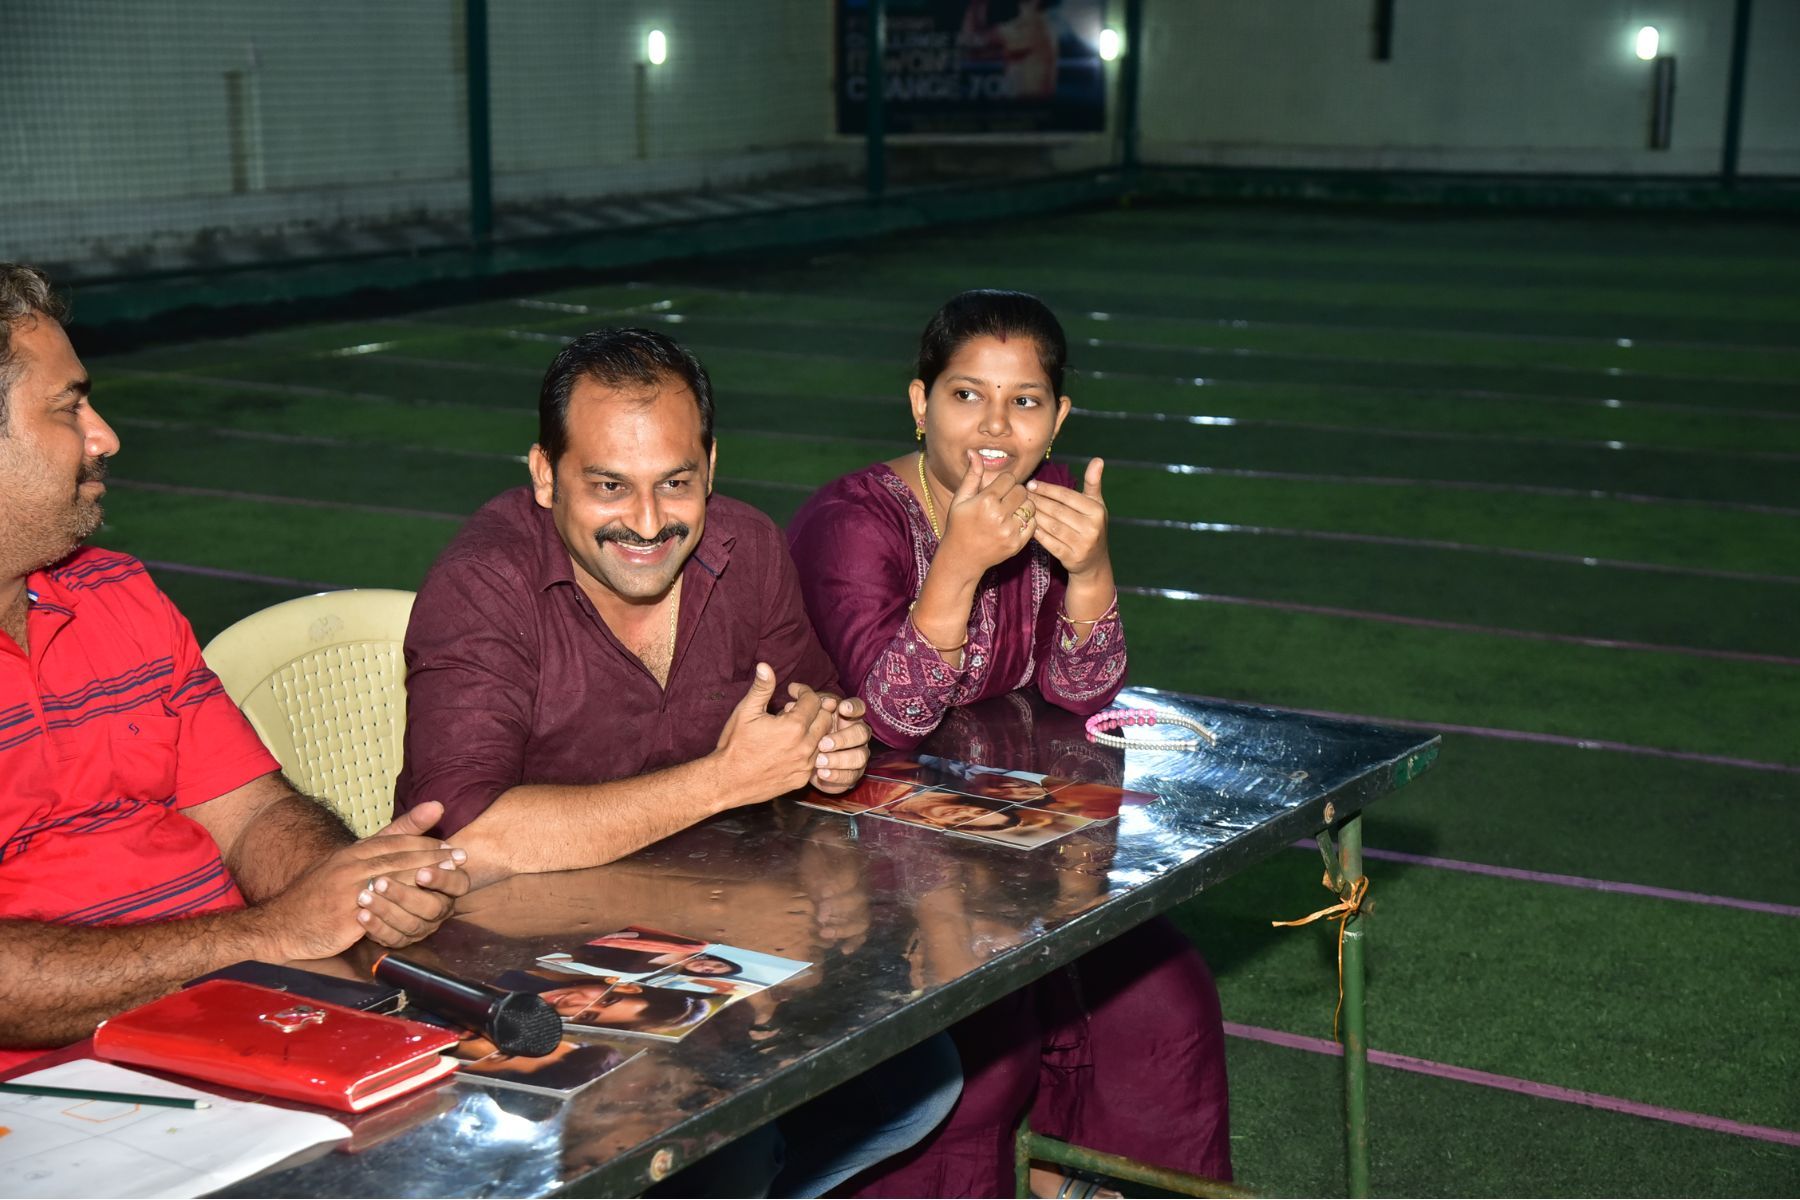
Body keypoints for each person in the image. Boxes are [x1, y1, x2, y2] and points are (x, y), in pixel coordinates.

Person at [396, 326, 959, 1198]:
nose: (649, 521)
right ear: (545, 476)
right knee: (728, 1156)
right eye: (608, 485)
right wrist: (722, 781)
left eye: (675, 482)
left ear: (711, 467)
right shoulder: (484, 582)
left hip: (713, 941)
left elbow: (815, 706)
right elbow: (466, 835)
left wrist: (829, 743)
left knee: (918, 1078)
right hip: (522, 982)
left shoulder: (748, 547)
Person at [786, 289, 1231, 1197]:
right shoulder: (852, 523)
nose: (995, 426)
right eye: (966, 396)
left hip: (994, 827)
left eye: (1024, 401)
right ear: (920, 403)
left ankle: (1087, 1181)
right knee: (983, 1055)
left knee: (1165, 991)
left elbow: (1082, 691)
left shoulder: (1051, 499)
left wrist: (1092, 569)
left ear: (1058, 419)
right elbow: (893, 717)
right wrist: (957, 562)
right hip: (851, 855)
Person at [0, 264, 470, 1073]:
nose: (104, 437)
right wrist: (270, 935)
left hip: (241, 1019)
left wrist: (359, 887)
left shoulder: (117, 594)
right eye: (69, 407)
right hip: (65, 1092)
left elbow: (252, 817)